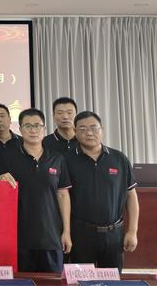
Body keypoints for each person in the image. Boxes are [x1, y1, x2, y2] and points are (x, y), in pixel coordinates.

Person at [0, 108, 72, 273]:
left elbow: (63, 195)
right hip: (20, 238)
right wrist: (0, 179)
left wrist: (66, 231)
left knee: (52, 282)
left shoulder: (57, 158)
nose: (33, 130)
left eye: (37, 125)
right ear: (20, 129)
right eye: (28, 126)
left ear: (44, 129)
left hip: (51, 237)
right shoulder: (9, 157)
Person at [66, 111, 139, 271]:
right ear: (75, 132)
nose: (89, 133)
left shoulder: (119, 159)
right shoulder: (67, 160)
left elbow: (131, 196)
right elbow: (63, 197)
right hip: (81, 234)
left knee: (113, 279)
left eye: (94, 128)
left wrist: (132, 231)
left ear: (102, 129)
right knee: (82, 279)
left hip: (114, 233)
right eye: (83, 129)